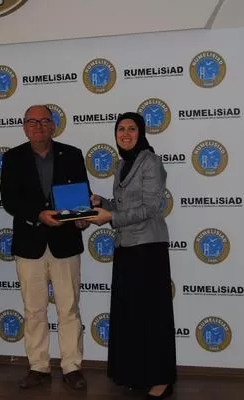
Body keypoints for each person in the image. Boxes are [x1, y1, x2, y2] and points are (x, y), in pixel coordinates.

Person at [0, 104, 90, 390]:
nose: (38, 126)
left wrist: (81, 217)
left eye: (44, 121)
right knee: (34, 309)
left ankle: (72, 367)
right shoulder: (13, 158)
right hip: (30, 243)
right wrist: (38, 215)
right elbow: (9, 200)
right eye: (32, 121)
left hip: (66, 242)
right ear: (24, 127)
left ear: (53, 125)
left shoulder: (72, 154)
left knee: (69, 308)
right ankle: (38, 367)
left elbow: (82, 195)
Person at [88, 112, 176, 399]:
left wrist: (110, 217)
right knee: (132, 316)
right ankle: (137, 374)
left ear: (141, 133)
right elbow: (123, 206)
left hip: (148, 249)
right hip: (126, 248)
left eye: (131, 129)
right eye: (120, 129)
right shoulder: (122, 164)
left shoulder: (151, 162)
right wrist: (102, 202)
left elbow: (150, 208)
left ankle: (161, 379)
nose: (125, 134)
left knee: (152, 316)